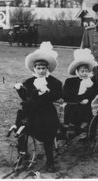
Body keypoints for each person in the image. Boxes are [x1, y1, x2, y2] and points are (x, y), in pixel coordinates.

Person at [12, 41, 62, 173]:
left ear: (47, 69)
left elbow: (57, 96)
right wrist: (20, 90)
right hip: (32, 112)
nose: (41, 71)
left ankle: (50, 161)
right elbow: (26, 98)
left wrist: (46, 92)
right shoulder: (29, 82)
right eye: (38, 68)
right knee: (22, 129)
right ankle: (22, 154)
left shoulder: (54, 82)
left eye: (43, 68)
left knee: (48, 133)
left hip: (46, 112)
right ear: (34, 69)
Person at [62, 48, 98, 139]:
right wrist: (79, 99)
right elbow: (66, 94)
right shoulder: (70, 81)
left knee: (83, 108)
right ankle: (69, 127)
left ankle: (80, 128)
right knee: (69, 107)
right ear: (77, 72)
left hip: (86, 104)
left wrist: (86, 99)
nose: (85, 73)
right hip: (73, 103)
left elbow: (91, 94)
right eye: (82, 71)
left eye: (86, 71)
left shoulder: (90, 82)